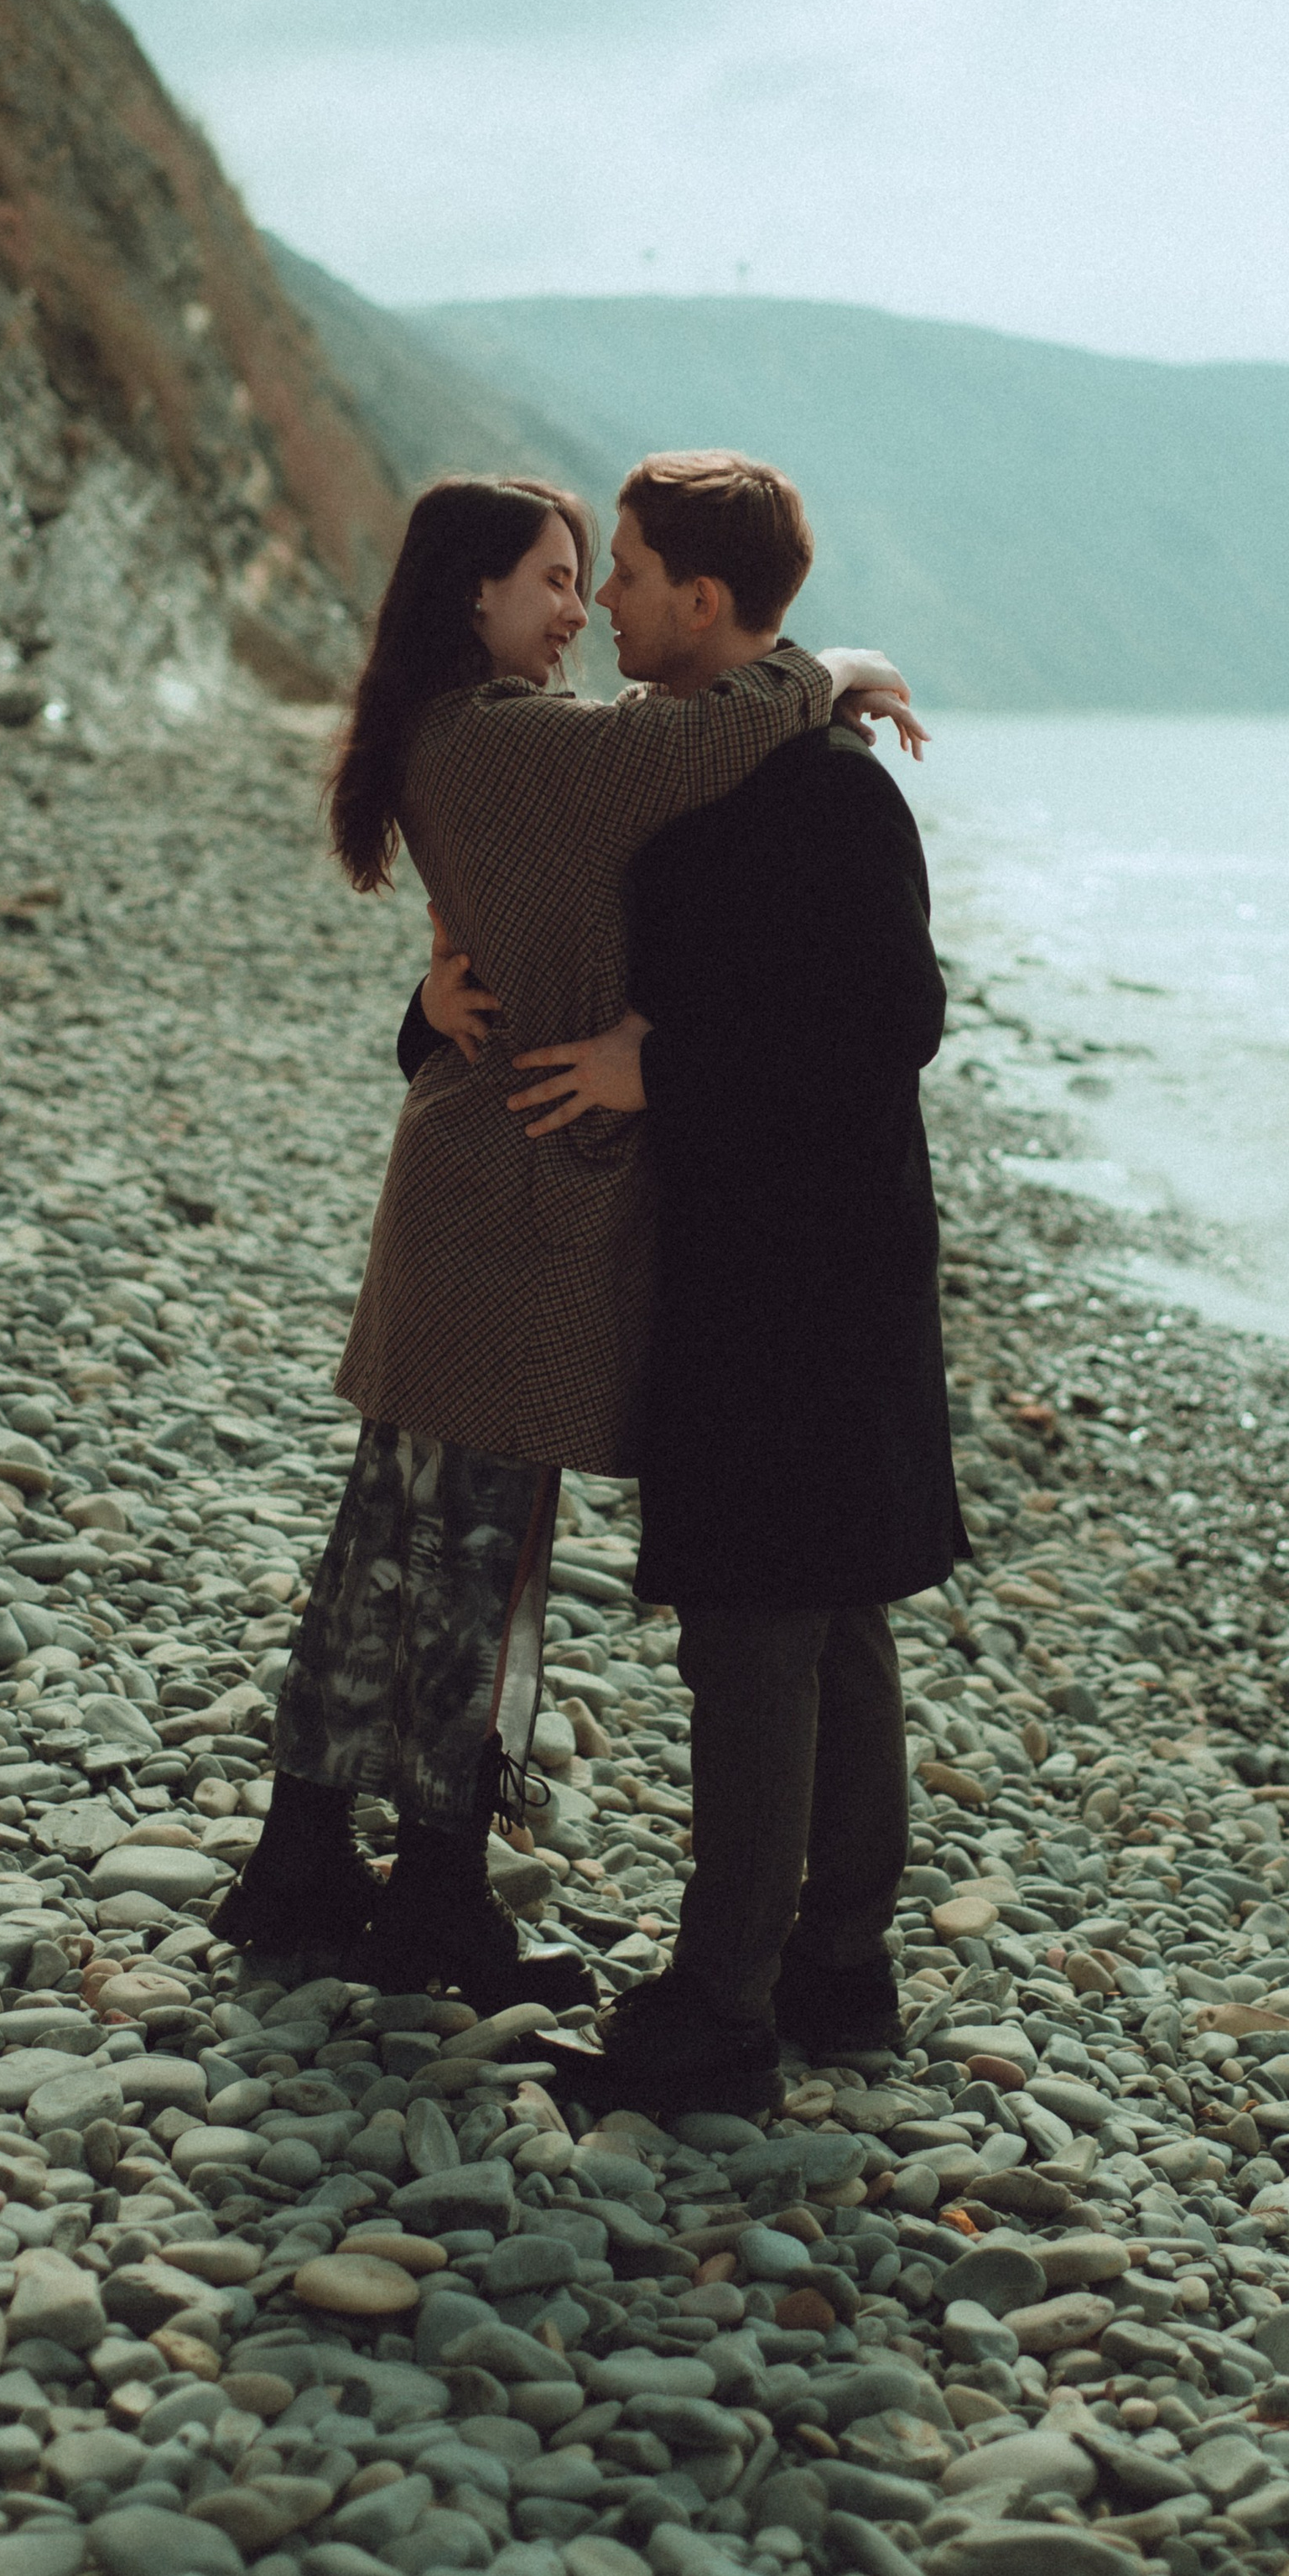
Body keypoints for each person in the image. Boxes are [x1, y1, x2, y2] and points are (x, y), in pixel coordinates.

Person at [213, 471, 912, 2014]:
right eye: (551, 576)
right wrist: (835, 666)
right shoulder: (510, 741)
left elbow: (564, 886)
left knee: (417, 1544)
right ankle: (423, 1893)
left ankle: (325, 1860)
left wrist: (441, 1003)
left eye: (599, 572)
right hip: (511, 1208)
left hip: (488, 1193)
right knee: (462, 1555)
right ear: (468, 595)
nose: (580, 606)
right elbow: (700, 735)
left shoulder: (474, 739)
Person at [412, 451, 966, 2111]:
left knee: (760, 1623)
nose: (609, 606)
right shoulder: (702, 770)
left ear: (702, 603)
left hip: (800, 1267)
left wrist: (670, 1069)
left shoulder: (821, 792)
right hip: (755, 1252)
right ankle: (835, 1979)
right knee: (828, 1612)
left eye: (632, 572)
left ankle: (721, 2012)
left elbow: (892, 1025)